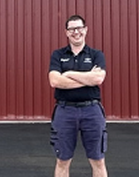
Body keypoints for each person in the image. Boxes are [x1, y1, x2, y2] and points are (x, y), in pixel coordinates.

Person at [48, 14, 107, 177]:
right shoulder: (58, 55)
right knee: (62, 160)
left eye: (79, 28)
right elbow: (54, 81)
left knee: (98, 160)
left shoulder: (96, 54)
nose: (76, 32)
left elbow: (98, 78)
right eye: (72, 29)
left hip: (92, 110)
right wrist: (87, 78)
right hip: (65, 111)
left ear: (85, 30)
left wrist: (68, 73)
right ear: (66, 33)